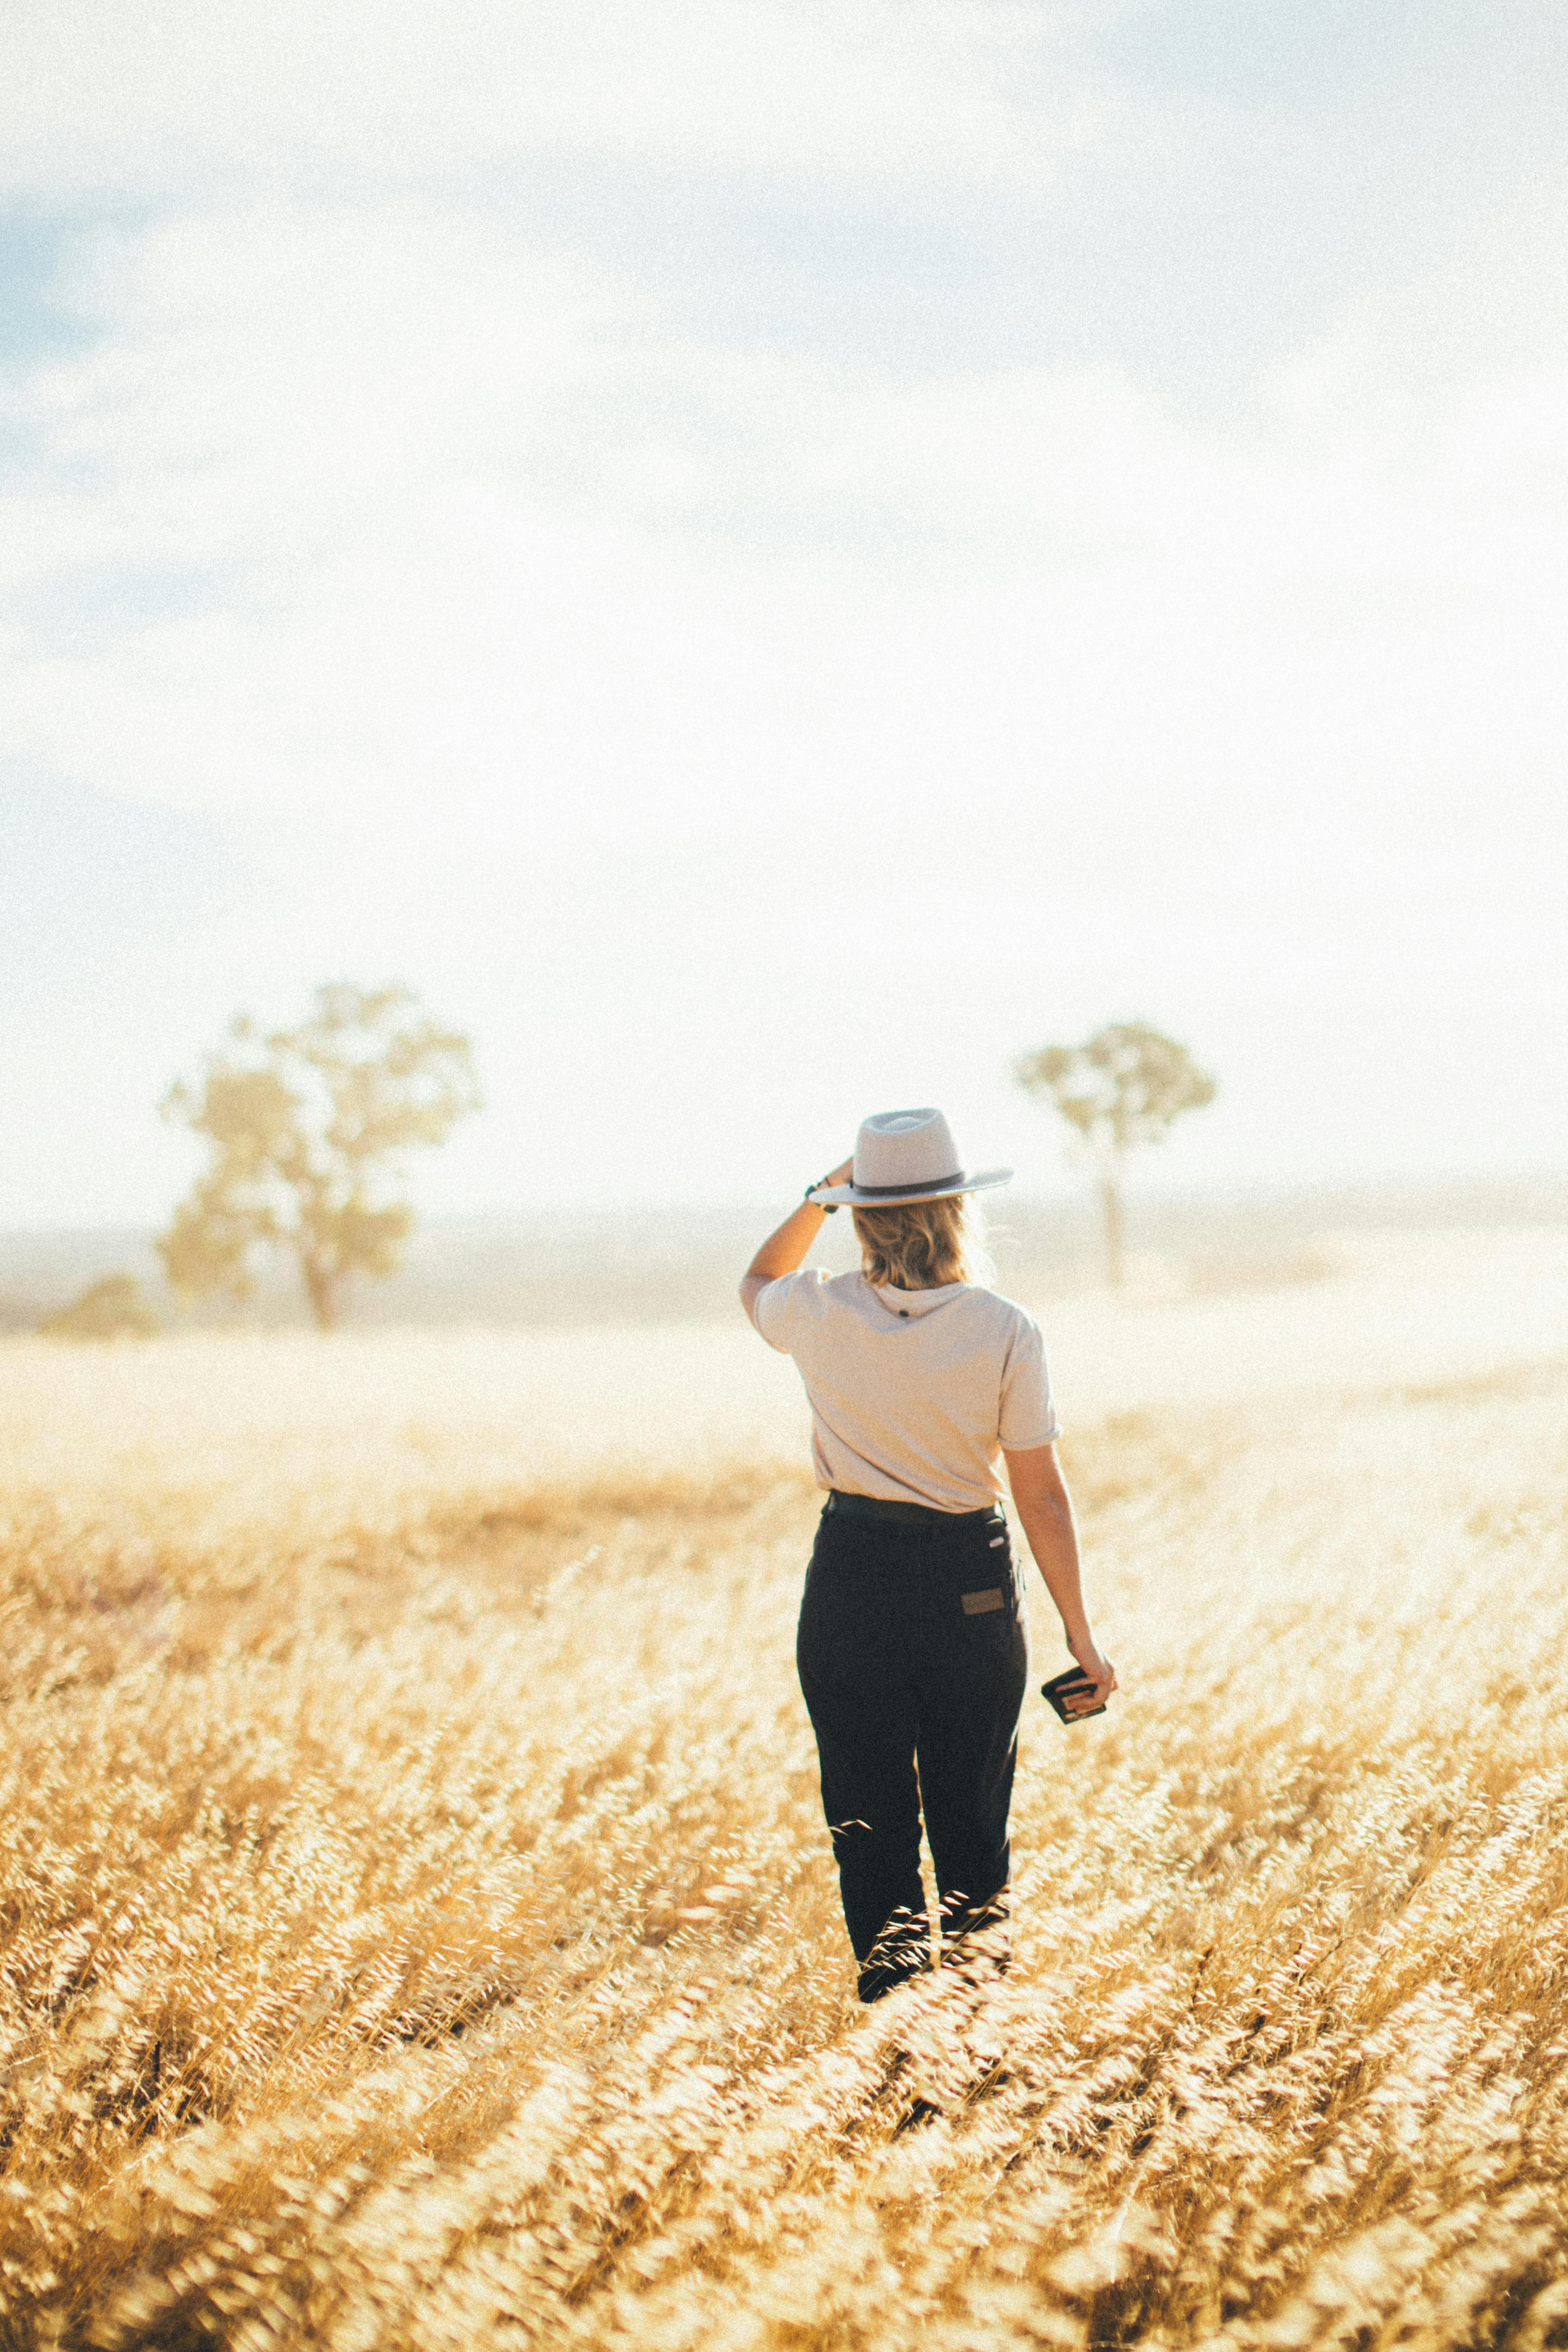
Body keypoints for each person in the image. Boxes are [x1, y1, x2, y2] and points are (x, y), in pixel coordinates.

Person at [739, 1106, 1117, 2003]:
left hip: (850, 1586)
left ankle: (902, 2046)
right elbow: (1040, 1494)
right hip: (970, 1591)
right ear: (958, 1212)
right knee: (973, 1829)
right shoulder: (1004, 1328)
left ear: (861, 1214)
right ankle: (972, 2046)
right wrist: (1081, 1637)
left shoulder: (816, 1310)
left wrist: (817, 1199)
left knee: (868, 1830)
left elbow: (758, 1275)